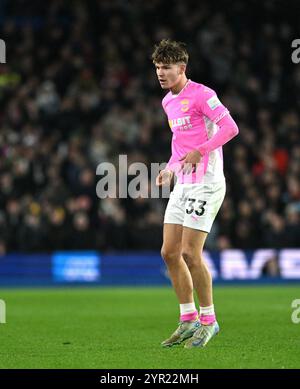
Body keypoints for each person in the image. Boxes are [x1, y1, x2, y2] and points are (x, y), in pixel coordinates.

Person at [153, 39, 239, 348]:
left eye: (166, 68)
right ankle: (187, 319)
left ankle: (210, 320)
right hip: (184, 181)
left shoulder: (203, 95)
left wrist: (201, 151)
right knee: (169, 252)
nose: (161, 73)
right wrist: (170, 168)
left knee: (191, 253)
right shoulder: (167, 102)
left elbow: (231, 128)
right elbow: (180, 145)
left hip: (208, 181)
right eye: (158, 68)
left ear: (182, 68)